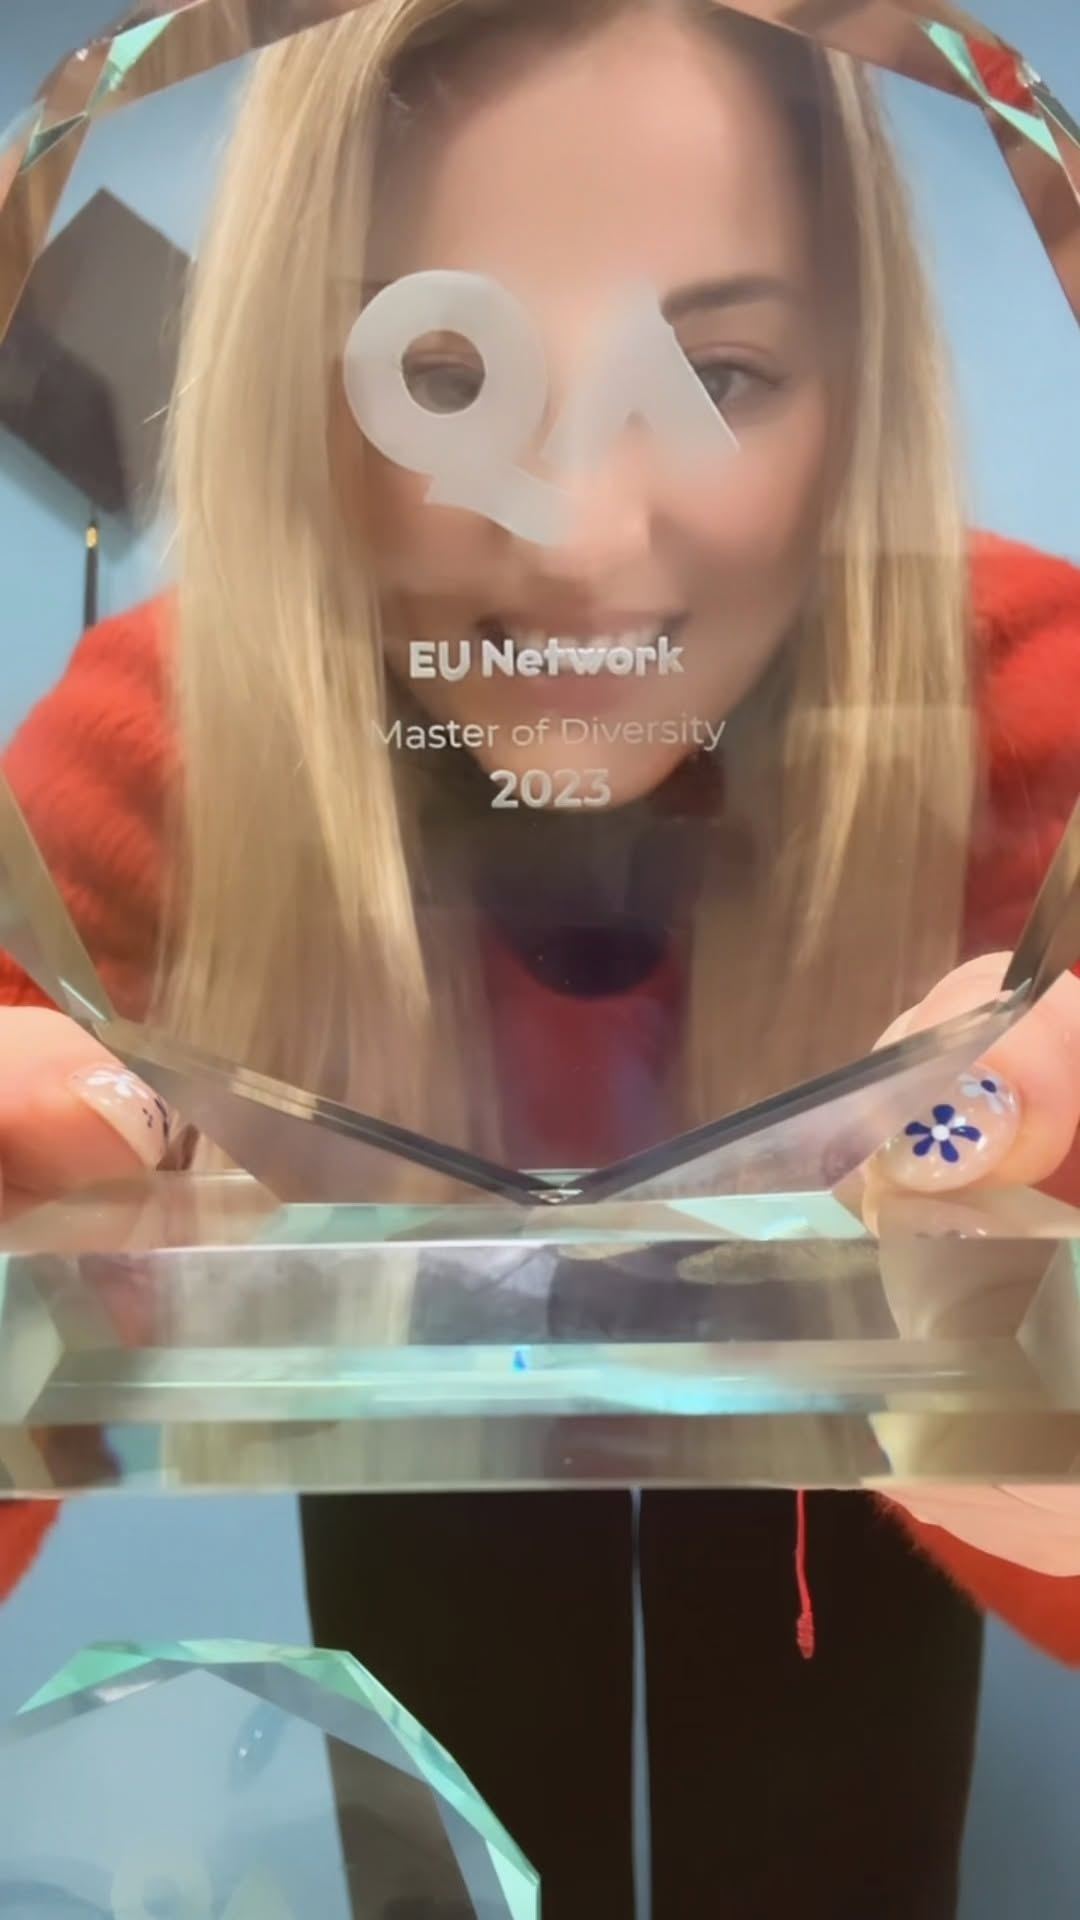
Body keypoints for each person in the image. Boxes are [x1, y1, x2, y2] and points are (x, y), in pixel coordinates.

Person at [1, 1, 1080, 1913]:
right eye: (445, 373)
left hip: (853, 1603)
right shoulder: (157, 758)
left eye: (718, 374)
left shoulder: (1033, 713)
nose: (581, 540)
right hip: (416, 1526)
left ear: (860, 390)